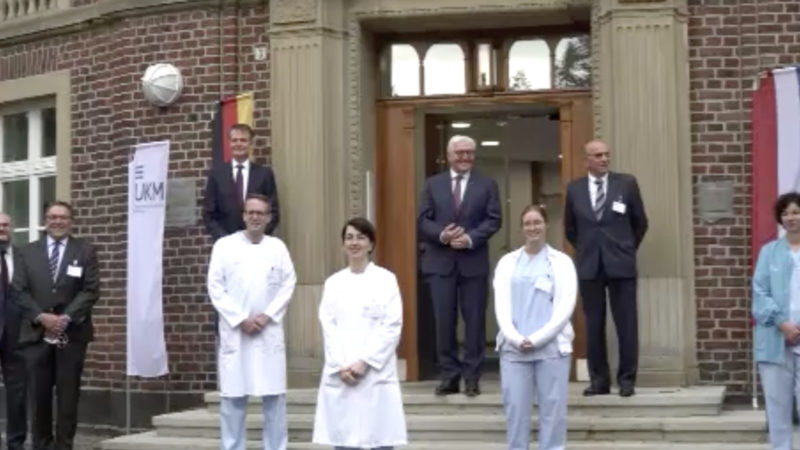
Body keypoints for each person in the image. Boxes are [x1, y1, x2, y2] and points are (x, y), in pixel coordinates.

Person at [207, 193, 296, 450]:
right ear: (244, 215)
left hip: (268, 333)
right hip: (237, 334)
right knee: (233, 399)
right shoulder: (224, 247)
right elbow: (215, 287)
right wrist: (240, 319)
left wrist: (267, 316)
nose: (256, 217)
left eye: (261, 213)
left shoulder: (277, 248)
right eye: (251, 212)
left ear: (268, 218)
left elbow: (288, 283)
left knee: (274, 400)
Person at [417, 134, 501, 397]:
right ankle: (449, 376)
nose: (465, 157)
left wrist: (470, 238)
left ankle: (472, 377)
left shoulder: (487, 184)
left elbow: (494, 219)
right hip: (440, 265)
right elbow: (422, 220)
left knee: (475, 322)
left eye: (469, 153)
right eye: (460, 153)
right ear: (449, 155)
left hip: (472, 264)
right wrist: (443, 235)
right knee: (444, 322)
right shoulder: (433, 184)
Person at [312, 217, 407, 450]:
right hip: (342, 373)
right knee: (345, 440)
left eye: (361, 237)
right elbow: (329, 326)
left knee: (379, 438)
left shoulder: (386, 280)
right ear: (343, 244)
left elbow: (392, 326)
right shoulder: (334, 283)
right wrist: (341, 365)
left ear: (371, 244)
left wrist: (365, 362)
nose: (354, 243)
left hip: (375, 373)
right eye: (349, 237)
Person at [12, 201, 99, 450]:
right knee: (38, 398)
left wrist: (64, 319)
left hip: (71, 335)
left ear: (71, 221)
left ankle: (63, 446)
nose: (57, 221)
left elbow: (91, 291)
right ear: (45, 220)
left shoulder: (85, 251)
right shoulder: (26, 252)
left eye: (63, 217)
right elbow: (19, 291)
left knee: (67, 398)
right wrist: (42, 317)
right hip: (35, 334)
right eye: (52, 217)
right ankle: (40, 445)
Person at [564, 139, 648, 397]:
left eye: (606, 155)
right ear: (586, 160)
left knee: (626, 324)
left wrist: (624, 248)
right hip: (590, 265)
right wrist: (588, 248)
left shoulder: (626, 184)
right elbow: (571, 228)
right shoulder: (575, 189)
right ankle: (599, 380)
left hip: (621, 264)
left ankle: (626, 380)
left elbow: (640, 222)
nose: (603, 159)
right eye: (597, 155)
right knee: (593, 324)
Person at [493, 205, 577, 450]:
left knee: (553, 410)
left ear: (546, 225)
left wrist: (538, 338)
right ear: (522, 229)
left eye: (537, 222)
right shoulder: (507, 263)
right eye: (528, 223)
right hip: (514, 350)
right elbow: (501, 306)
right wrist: (516, 338)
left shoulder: (562, 263)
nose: (533, 227)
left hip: (551, 350)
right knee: (516, 411)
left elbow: (565, 307)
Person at [753, 191, 800, 450]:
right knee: (778, 409)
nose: (790, 217)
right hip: (775, 340)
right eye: (785, 213)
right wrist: (782, 324)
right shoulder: (769, 252)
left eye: (795, 211)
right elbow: (760, 293)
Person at [204, 123, 280, 240]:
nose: (238, 144)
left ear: (250, 144)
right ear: (229, 143)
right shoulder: (216, 175)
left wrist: (257, 236)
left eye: (243, 140)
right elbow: (209, 214)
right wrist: (225, 239)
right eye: (235, 140)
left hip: (257, 243)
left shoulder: (264, 174)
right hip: (227, 244)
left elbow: (273, 211)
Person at [0, 212, 27, 450]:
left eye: (6, 224)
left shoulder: (23, 258)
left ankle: (15, 443)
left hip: (18, 335)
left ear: (13, 228)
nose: (2, 228)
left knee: (17, 393)